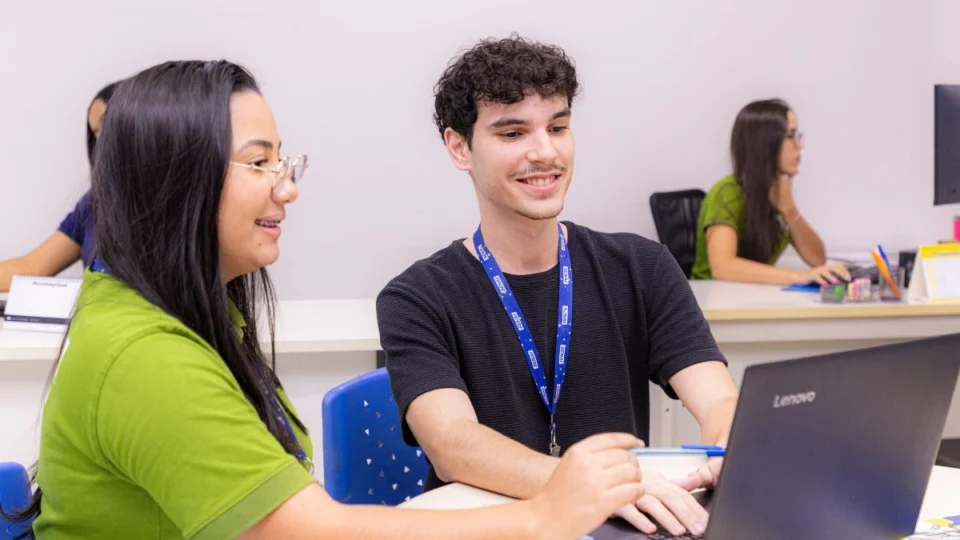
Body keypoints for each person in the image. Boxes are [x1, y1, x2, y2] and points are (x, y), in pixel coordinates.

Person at [6, 60, 645, 540]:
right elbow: (306, 531)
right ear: (179, 180)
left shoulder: (189, 311)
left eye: (283, 162)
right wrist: (543, 516)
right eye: (259, 164)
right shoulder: (146, 356)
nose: (286, 189)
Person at [377, 35, 739, 538]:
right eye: (512, 133)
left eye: (558, 127)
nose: (545, 152)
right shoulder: (416, 298)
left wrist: (729, 446)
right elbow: (453, 443)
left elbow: (718, 400)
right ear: (460, 148)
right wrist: (591, 486)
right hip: (495, 528)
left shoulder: (642, 267)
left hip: (620, 525)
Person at [691, 99, 850, 285]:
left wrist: (789, 210)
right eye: (790, 136)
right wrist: (798, 277)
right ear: (765, 144)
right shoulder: (726, 193)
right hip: (711, 297)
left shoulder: (777, 193)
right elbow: (723, 267)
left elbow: (817, 259)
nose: (800, 146)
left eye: (798, 136)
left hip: (750, 294)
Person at [0, 81, 118, 292]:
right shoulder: (95, 202)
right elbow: (32, 267)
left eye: (107, 125)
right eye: (96, 132)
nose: (101, 140)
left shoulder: (175, 203)